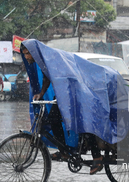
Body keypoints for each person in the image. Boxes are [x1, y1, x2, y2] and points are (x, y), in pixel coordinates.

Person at [21, 43, 105, 175]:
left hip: (77, 93)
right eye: (24, 53)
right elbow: (47, 78)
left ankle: (97, 157)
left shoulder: (52, 58)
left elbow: (68, 76)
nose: (26, 57)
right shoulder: (43, 61)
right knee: (52, 120)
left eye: (27, 53)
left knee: (83, 123)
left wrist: (64, 96)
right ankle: (64, 152)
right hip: (63, 94)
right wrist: (42, 94)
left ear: (33, 52)